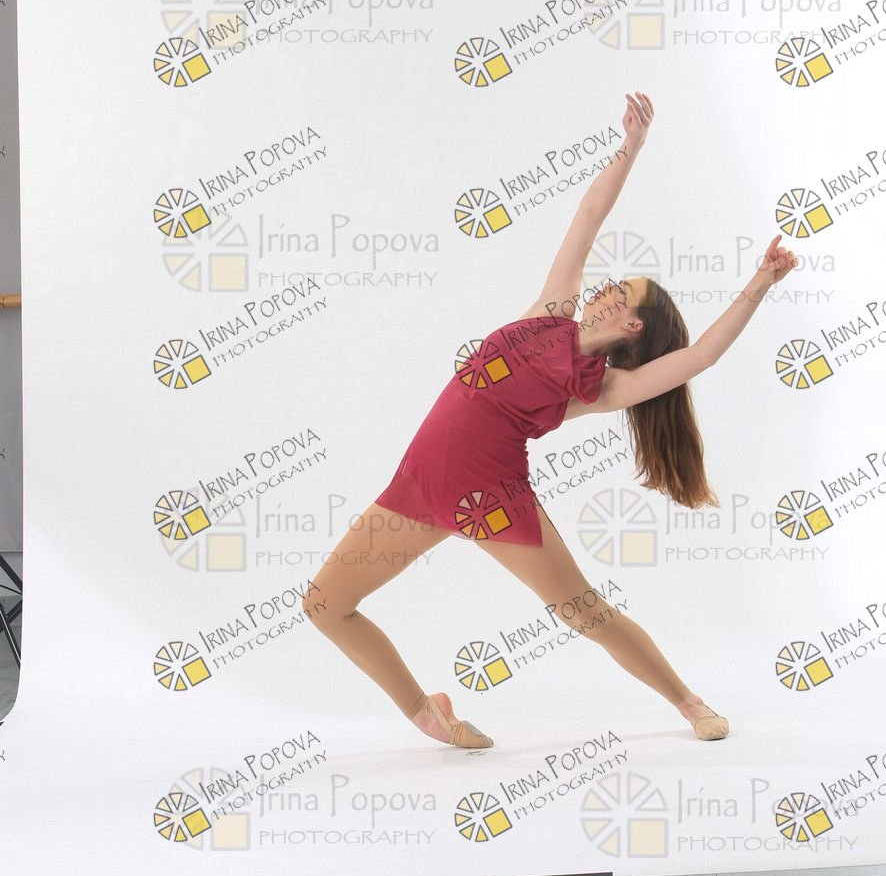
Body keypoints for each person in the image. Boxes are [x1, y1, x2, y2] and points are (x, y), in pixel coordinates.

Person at [303, 91, 798, 749]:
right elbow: (589, 215)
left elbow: (700, 355)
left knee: (584, 613)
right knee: (324, 605)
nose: (606, 288)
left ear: (632, 326)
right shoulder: (550, 311)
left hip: (494, 503)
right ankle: (428, 714)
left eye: (621, 293)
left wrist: (760, 283)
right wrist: (631, 149)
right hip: (418, 486)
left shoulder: (599, 387)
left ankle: (689, 702)